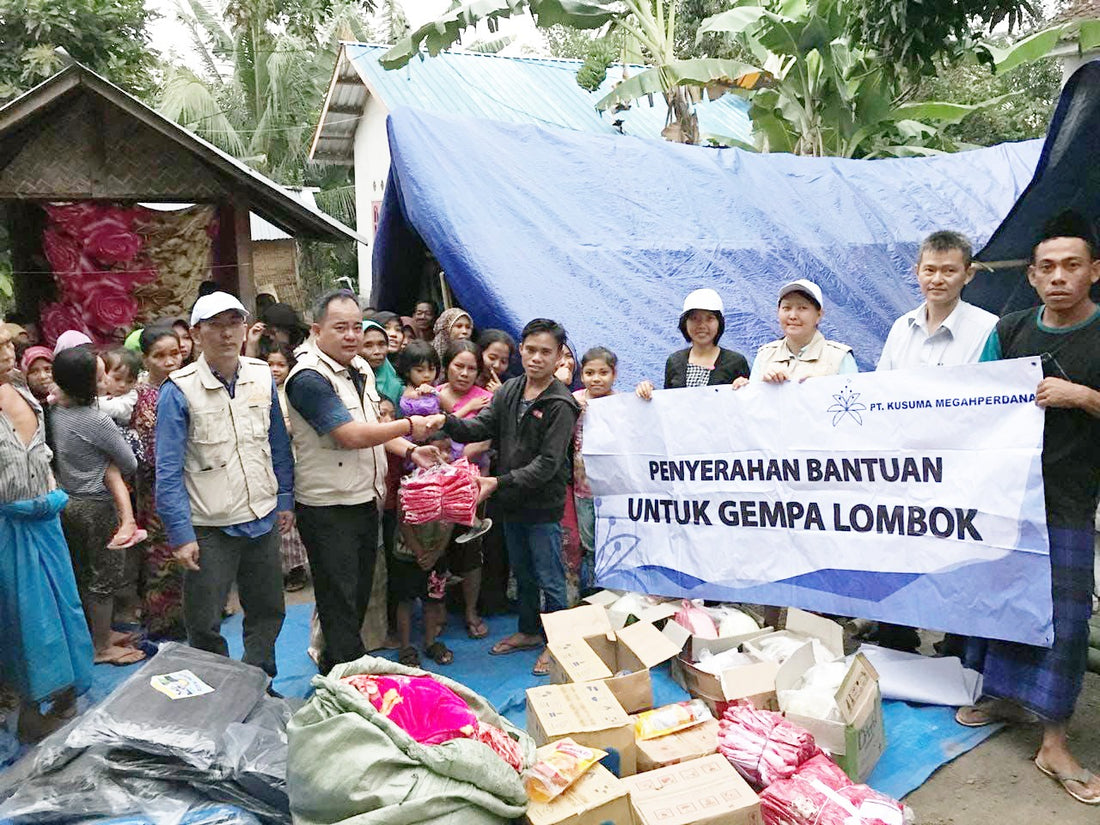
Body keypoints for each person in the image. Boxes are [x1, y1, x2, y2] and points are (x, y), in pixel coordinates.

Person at [957, 211, 1100, 806]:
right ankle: (1003, 698)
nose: (1059, 277)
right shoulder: (1010, 331)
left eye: (1072, 266)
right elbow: (976, 398)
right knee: (1000, 603)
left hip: (1068, 500)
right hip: (1007, 497)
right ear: (1034, 278)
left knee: (1062, 623)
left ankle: (1054, 740)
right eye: (1047, 267)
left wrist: (1084, 397)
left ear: (1094, 271)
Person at [284, 289, 441, 675]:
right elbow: (350, 435)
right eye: (341, 327)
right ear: (317, 330)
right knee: (338, 601)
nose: (352, 335)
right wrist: (410, 426)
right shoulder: (308, 378)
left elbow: (372, 427)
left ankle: (337, 670)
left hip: (362, 499)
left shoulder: (359, 369)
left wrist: (408, 450)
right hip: (327, 507)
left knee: (355, 597)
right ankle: (344, 682)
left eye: (356, 326)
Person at [156, 292, 294, 680]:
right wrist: (181, 534)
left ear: (245, 328)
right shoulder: (179, 390)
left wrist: (285, 498)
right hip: (208, 524)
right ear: (197, 335)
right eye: (215, 325)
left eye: (233, 323)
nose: (226, 333)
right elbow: (167, 470)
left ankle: (258, 681)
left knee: (268, 609)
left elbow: (278, 443)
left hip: (262, 515)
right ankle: (215, 690)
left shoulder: (261, 375)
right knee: (204, 619)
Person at [872, 231, 998, 653]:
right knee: (898, 549)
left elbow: (992, 401)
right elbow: (880, 395)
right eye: (930, 269)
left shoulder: (987, 329)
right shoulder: (900, 328)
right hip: (904, 468)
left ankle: (956, 645)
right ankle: (896, 635)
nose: (938, 279)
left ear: (969, 274)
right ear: (917, 272)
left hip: (960, 468)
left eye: (949, 270)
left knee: (957, 556)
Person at [439, 318, 581, 677]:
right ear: (521, 350)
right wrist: (442, 420)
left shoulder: (561, 404)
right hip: (511, 501)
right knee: (523, 572)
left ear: (559, 356)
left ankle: (559, 645)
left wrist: (497, 482)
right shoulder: (510, 390)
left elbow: (548, 464)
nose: (536, 358)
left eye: (545, 352)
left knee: (550, 576)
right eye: (530, 350)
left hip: (542, 504)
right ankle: (530, 632)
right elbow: (479, 427)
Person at [0, 347, 93, 742]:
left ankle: (62, 695)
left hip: (45, 523)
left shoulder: (19, 391)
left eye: (9, 344)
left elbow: (39, 456)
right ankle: (26, 708)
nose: (10, 351)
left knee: (61, 610)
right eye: (1, 344)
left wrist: (49, 495)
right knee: (20, 621)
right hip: (8, 529)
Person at [49, 346, 144, 666]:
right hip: (97, 505)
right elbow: (129, 463)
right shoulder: (96, 420)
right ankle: (102, 646)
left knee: (82, 571)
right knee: (104, 577)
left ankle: (95, 633)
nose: (106, 380)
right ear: (88, 384)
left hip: (68, 501)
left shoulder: (56, 411)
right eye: (101, 375)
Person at [130, 325, 185, 639]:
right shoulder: (137, 397)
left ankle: (193, 615)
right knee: (160, 555)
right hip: (155, 488)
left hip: (191, 483)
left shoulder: (187, 388)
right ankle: (162, 622)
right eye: (159, 356)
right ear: (145, 358)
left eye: (174, 354)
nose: (169, 361)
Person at [437, 340, 493, 639]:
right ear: (447, 365)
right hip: (437, 487)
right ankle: (438, 612)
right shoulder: (431, 396)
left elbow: (486, 440)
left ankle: (471, 610)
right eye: (459, 366)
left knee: (471, 550)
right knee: (437, 551)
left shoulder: (487, 399)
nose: (465, 373)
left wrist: (460, 460)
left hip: (475, 486)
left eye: (472, 368)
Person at [391, 430, 458, 668]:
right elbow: (404, 521)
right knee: (406, 600)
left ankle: (431, 642)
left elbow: (451, 519)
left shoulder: (453, 486)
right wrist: (420, 552)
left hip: (436, 555)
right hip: (408, 555)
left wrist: (438, 551)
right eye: (437, 452)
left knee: (433, 599)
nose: (445, 457)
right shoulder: (409, 485)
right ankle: (406, 647)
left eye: (449, 450)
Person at [635, 288, 749, 398]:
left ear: (720, 323)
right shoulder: (674, 361)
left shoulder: (735, 361)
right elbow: (668, 405)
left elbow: (747, 405)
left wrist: (745, 386)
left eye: (709, 318)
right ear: (685, 323)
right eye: (694, 318)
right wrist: (648, 392)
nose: (702, 325)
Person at [740, 279, 857, 385]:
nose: (792, 316)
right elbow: (753, 405)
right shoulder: (765, 355)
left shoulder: (839, 356)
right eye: (787, 308)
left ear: (819, 315)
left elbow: (854, 400)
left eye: (802, 308)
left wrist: (824, 386)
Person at [262, 339, 310, 593]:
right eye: (270, 363)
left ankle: (295, 568)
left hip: (292, 457)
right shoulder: (260, 391)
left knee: (289, 513)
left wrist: (284, 429)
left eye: (281, 364)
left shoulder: (292, 392)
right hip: (265, 460)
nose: (275, 369)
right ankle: (276, 568)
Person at [573, 346, 617, 594]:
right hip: (582, 487)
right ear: (582, 375)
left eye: (603, 372)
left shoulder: (622, 402)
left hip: (613, 489)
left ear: (614, 374)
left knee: (611, 540)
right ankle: (590, 593)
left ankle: (611, 592)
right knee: (587, 542)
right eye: (590, 372)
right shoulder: (575, 400)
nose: (596, 378)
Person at [397, 341, 444, 424]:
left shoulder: (433, 389)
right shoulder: (405, 392)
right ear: (407, 371)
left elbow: (449, 408)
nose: (427, 375)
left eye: (432, 369)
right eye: (420, 370)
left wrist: (434, 392)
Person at [360, 319, 403, 407]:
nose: (377, 351)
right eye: (368, 345)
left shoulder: (397, 387)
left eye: (382, 344)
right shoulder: (347, 382)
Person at [477, 329, 515, 395]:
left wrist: (500, 396)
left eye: (503, 362)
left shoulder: (510, 389)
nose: (497, 365)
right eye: (492, 358)